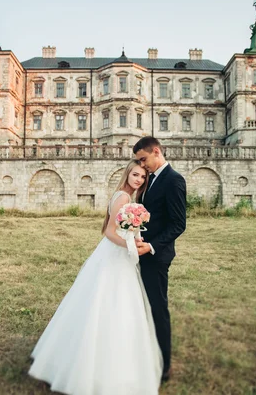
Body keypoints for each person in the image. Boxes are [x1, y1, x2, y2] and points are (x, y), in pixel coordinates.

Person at [28, 160, 163, 395]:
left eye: (142, 177)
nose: (139, 179)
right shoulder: (123, 198)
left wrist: (133, 237)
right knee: (109, 303)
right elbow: (109, 232)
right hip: (114, 256)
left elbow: (122, 229)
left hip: (117, 255)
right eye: (135, 175)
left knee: (114, 303)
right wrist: (130, 245)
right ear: (127, 174)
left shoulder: (125, 197)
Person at [133, 136, 187, 382]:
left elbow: (178, 224)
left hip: (157, 256)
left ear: (156, 151)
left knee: (158, 308)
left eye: (143, 159)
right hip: (139, 252)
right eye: (139, 162)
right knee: (141, 306)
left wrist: (152, 247)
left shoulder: (174, 180)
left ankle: (164, 364)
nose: (142, 166)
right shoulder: (150, 180)